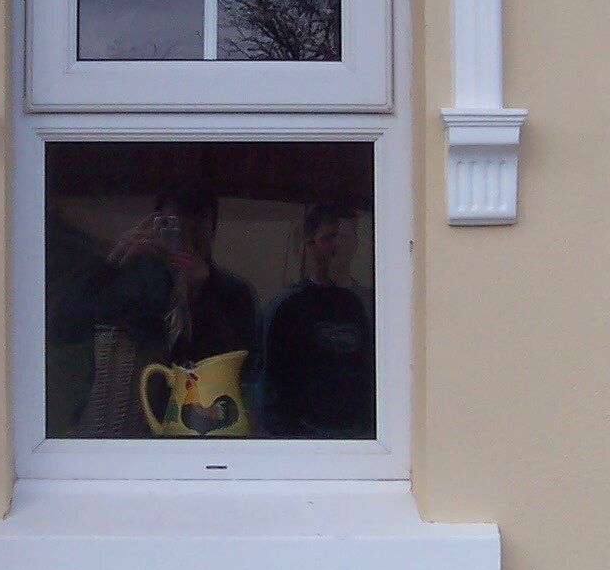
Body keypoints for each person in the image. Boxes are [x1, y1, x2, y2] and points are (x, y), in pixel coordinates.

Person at [57, 188, 260, 436]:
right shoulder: (132, 281)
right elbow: (64, 326)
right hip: (119, 420)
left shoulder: (231, 292)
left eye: (195, 230)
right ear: (153, 228)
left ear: (212, 231)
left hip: (195, 427)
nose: (183, 239)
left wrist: (198, 295)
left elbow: (240, 370)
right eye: (172, 228)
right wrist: (113, 261)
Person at [261, 203, 374, 438]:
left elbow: (367, 371)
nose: (336, 247)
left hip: (356, 434)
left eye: (342, 238)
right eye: (329, 238)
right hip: (304, 435)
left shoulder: (354, 305)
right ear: (309, 245)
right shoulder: (287, 307)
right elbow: (271, 382)